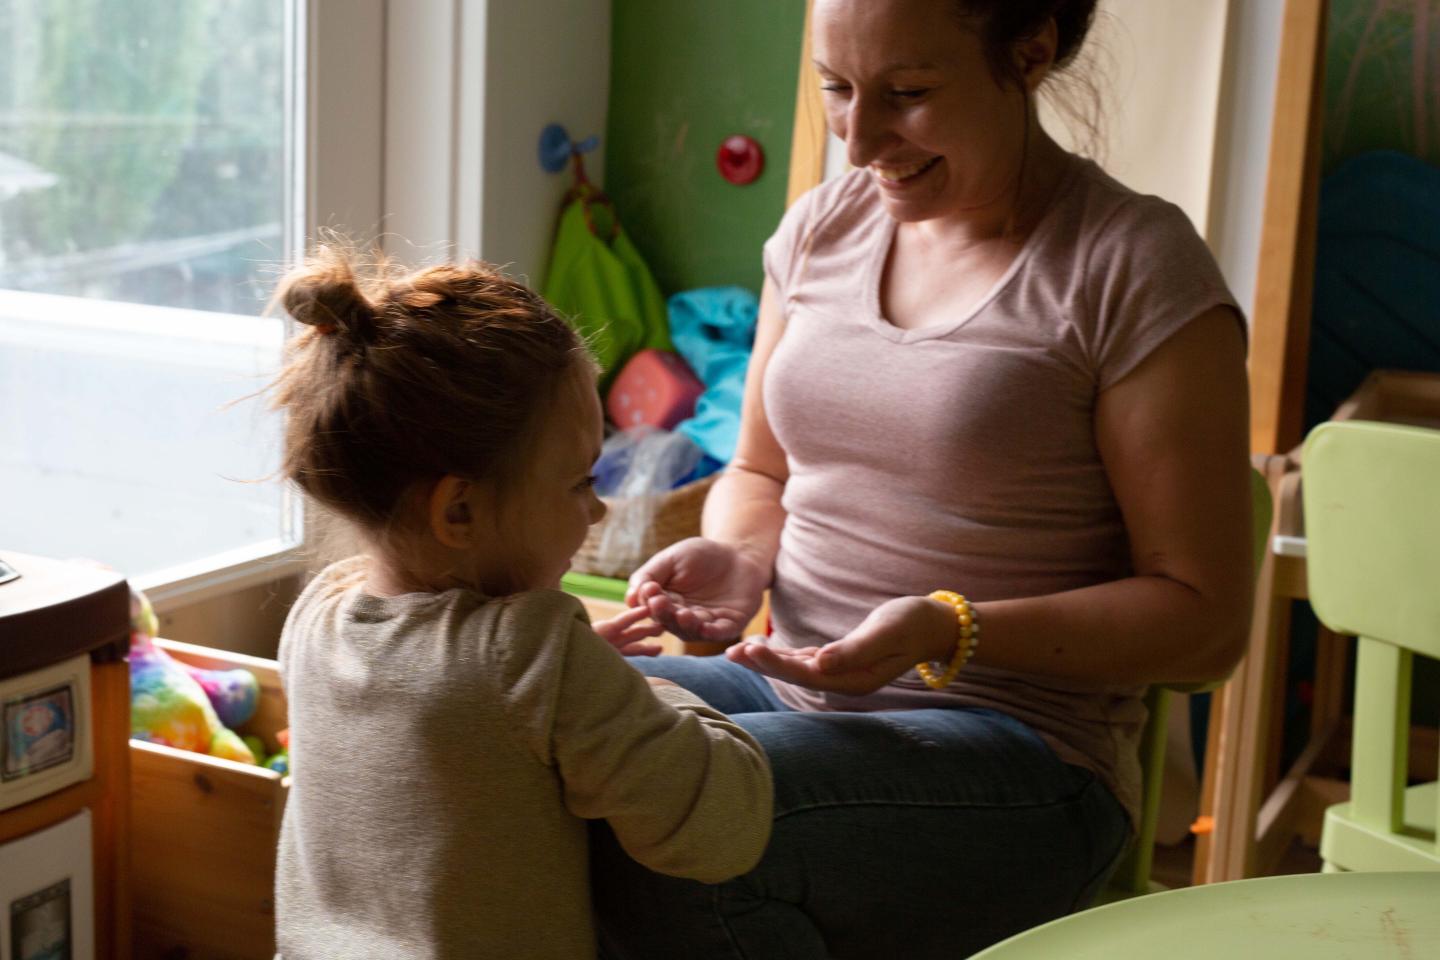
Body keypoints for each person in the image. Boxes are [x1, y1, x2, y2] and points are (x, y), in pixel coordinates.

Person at [592, 0, 1253, 957]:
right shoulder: (821, 229)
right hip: (793, 698)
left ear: (1027, 56)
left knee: (679, 821)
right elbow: (759, 469)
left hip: (1022, 758)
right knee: (530, 734)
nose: (859, 140)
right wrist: (743, 555)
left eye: (906, 94)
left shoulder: (1132, 267)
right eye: (837, 89)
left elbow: (1207, 624)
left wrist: (953, 627)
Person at [266, 248, 773, 959]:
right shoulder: (531, 650)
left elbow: (457, 718)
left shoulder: (318, 613)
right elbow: (723, 827)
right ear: (461, 511)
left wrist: (568, 679)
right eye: (578, 482)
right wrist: (635, 688)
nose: (596, 512)